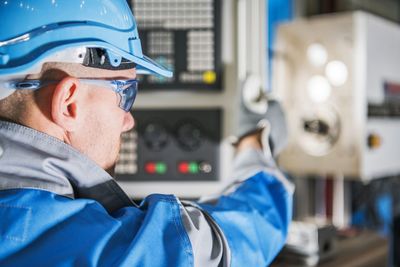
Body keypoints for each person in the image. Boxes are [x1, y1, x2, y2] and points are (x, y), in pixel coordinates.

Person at [0, 1, 293, 266]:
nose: (128, 121)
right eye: (124, 94)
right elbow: (228, 244)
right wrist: (256, 150)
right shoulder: (105, 253)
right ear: (69, 103)